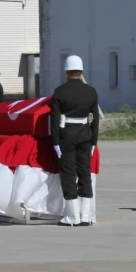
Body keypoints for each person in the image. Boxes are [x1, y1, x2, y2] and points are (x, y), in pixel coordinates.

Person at [50, 55, 100, 226]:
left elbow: (55, 119)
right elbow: (95, 119)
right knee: (85, 173)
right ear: (81, 71)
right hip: (86, 135)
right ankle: (85, 216)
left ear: (66, 72)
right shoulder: (91, 91)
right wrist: (94, 141)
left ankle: (72, 216)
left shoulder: (59, 92)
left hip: (66, 137)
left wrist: (55, 141)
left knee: (68, 174)